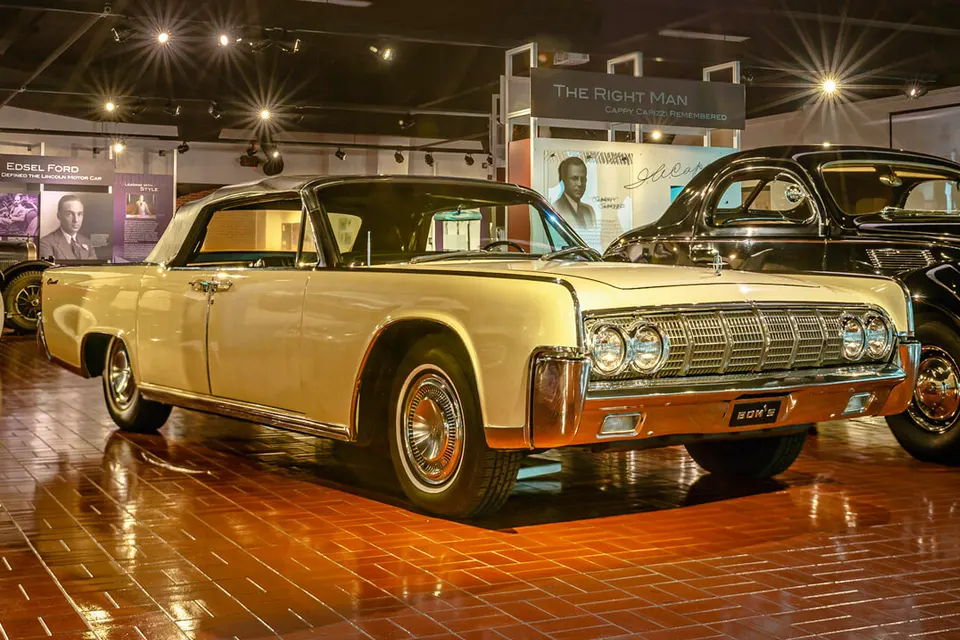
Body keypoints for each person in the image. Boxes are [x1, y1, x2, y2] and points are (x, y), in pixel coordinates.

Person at [39, 195, 98, 260]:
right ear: (59, 216)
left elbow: (94, 269)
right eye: (69, 214)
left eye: (79, 214)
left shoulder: (87, 242)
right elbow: (50, 270)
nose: (76, 220)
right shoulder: (46, 243)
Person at [552, 156, 596, 231]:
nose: (580, 183)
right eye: (574, 178)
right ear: (562, 180)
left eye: (583, 179)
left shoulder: (589, 211)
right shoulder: (554, 208)